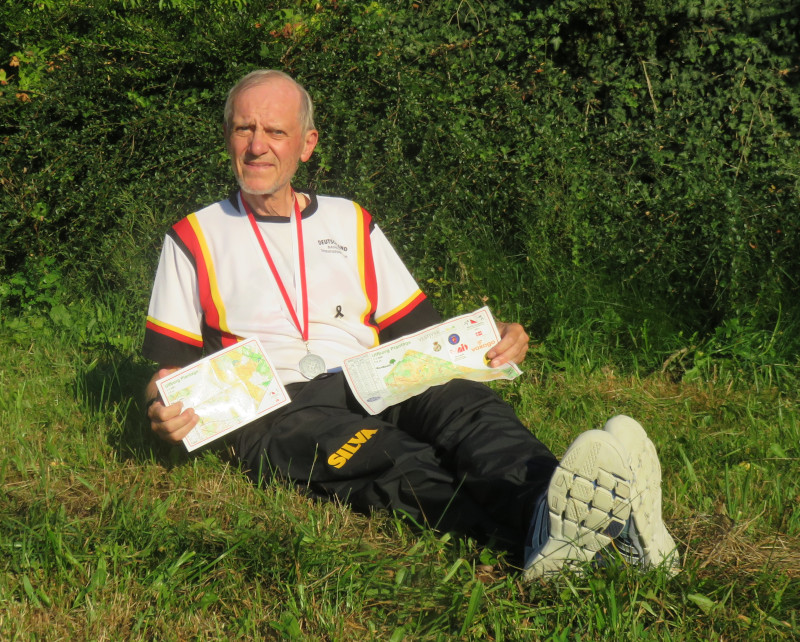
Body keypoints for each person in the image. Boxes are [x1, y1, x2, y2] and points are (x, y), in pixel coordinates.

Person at [143, 69, 678, 578]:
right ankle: (559, 540)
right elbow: (170, 375)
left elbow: (420, 330)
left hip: (375, 373)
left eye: (275, 131)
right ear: (228, 137)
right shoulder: (192, 238)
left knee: (469, 409)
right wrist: (159, 409)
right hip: (280, 405)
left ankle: (551, 503)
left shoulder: (350, 219)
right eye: (245, 128)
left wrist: (496, 341)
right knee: (388, 459)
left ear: (306, 145)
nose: (258, 145)